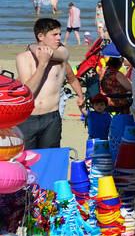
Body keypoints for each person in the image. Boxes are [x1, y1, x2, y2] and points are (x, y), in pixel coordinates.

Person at [14, 18, 85, 149]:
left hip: (51, 117)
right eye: (54, 35)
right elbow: (28, 92)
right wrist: (42, 65)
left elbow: (72, 77)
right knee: (27, 160)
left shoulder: (63, 53)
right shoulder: (23, 58)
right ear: (40, 36)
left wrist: (81, 96)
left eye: (60, 34)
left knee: (50, 159)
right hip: (27, 117)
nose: (59, 38)